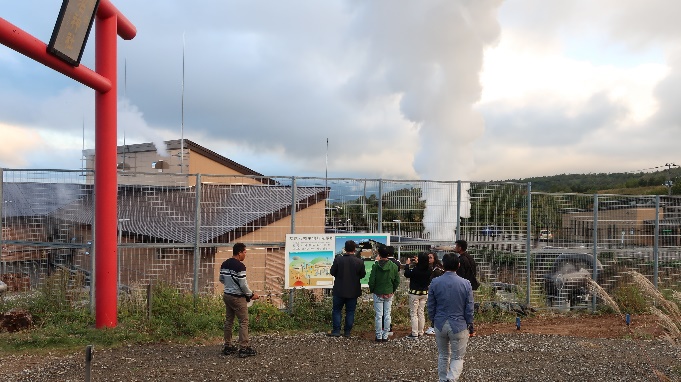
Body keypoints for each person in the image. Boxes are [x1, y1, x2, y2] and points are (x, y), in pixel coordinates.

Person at [427, 253, 475, 382]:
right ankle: (451, 379)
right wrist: (469, 323)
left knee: (443, 355)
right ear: (458, 265)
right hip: (459, 324)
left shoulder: (435, 282)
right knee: (457, 357)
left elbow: (431, 305)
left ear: (443, 265)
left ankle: (443, 379)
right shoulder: (466, 283)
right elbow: (469, 307)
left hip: (440, 323)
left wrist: (433, 320)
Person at [219, 242, 260, 358]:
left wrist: (230, 286)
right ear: (239, 253)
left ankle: (228, 346)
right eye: (245, 252)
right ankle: (243, 348)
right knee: (243, 321)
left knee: (229, 321)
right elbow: (243, 285)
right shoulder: (240, 267)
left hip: (227, 295)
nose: (245, 255)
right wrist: (251, 295)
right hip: (237, 297)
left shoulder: (224, 264)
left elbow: (221, 279)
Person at [329, 240, 366, 337]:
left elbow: (332, 272)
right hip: (353, 290)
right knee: (350, 311)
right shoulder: (359, 261)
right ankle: (347, 332)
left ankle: (336, 330)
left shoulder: (338, 259)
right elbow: (362, 275)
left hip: (339, 289)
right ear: (354, 249)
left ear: (345, 249)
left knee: (337, 310)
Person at [368, 245, 400, 342]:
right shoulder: (394, 266)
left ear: (379, 254)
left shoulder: (375, 266)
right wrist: (392, 290)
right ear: (389, 254)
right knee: (387, 314)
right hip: (389, 292)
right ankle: (385, 335)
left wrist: (372, 289)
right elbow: (397, 281)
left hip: (378, 293)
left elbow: (371, 281)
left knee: (378, 315)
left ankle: (378, 336)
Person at [404, 252, 431, 338]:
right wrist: (418, 263)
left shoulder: (416, 269)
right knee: (421, 312)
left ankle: (414, 333)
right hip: (424, 293)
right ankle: (421, 332)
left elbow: (406, 274)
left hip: (414, 294)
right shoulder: (429, 269)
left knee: (413, 313)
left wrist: (407, 265)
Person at [425, 251, 445, 335]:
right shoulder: (433, 268)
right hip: (437, 292)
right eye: (428, 257)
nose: (428, 259)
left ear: (434, 258)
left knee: (436, 309)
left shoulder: (437, 270)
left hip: (438, 293)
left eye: (430, 257)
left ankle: (434, 327)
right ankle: (434, 326)